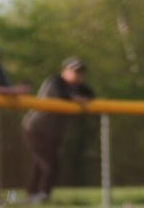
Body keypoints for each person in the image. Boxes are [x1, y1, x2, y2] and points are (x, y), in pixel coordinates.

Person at [21, 57, 94, 204]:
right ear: (64, 71)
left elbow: (91, 95)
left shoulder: (78, 87)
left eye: (80, 72)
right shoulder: (55, 81)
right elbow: (60, 95)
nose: (78, 75)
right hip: (36, 128)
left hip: (53, 131)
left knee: (41, 163)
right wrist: (77, 99)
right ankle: (42, 195)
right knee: (50, 164)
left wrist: (78, 97)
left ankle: (32, 195)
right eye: (74, 71)